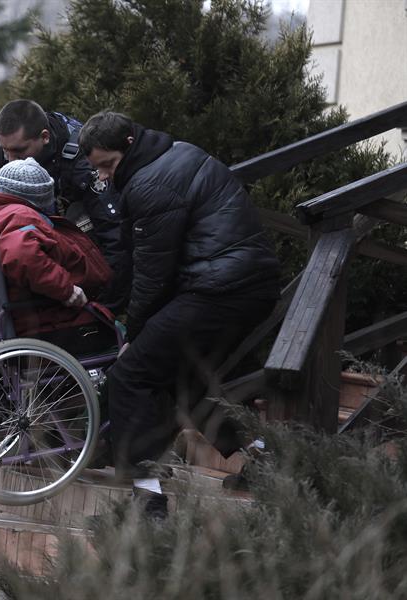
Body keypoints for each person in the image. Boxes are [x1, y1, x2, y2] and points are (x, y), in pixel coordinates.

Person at [78, 111, 281, 517]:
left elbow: (153, 274)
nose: (102, 177)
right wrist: (107, 303)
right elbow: (136, 261)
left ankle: (148, 501)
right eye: (96, 168)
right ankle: (267, 462)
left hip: (220, 289)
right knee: (187, 381)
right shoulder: (176, 154)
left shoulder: (149, 183)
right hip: (244, 283)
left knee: (129, 375)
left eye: (107, 165)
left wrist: (133, 331)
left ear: (130, 144)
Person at [0, 100, 128, 306]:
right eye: (5, 150)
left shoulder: (80, 152)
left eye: (19, 152)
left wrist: (110, 302)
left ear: (44, 137)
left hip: (73, 233)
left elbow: (112, 229)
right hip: (18, 244)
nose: (10, 160)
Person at [0, 157, 113, 338]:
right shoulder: (19, 216)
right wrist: (66, 290)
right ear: (37, 201)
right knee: (113, 331)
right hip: (40, 320)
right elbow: (22, 256)